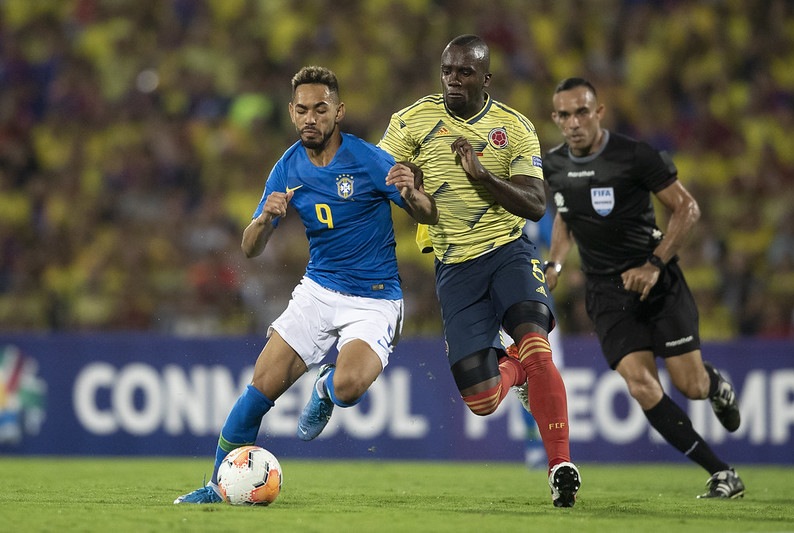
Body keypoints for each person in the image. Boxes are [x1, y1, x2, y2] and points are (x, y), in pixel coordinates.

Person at [174, 66, 437, 504]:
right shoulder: (287, 167)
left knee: (350, 387)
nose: (310, 118)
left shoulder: (369, 159)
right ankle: (216, 487)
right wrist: (264, 219)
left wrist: (412, 194)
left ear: (339, 111)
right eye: (302, 110)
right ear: (292, 113)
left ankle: (325, 388)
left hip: (373, 299)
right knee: (259, 390)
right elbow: (250, 249)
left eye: (320, 109)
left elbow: (429, 214)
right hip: (318, 291)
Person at [378, 34, 580, 508]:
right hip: (454, 266)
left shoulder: (514, 128)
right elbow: (390, 178)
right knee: (484, 400)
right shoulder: (411, 121)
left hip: (509, 252)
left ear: (485, 78)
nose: (453, 79)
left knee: (536, 343)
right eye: (447, 70)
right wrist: (403, 188)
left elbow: (534, 204)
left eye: (464, 72)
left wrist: (483, 175)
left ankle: (560, 467)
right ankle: (519, 371)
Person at [542, 77, 744, 499]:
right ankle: (721, 472)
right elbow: (565, 216)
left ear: (599, 113)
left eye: (582, 112)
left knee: (690, 385)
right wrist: (556, 262)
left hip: (657, 281)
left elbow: (687, 208)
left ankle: (714, 385)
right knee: (641, 384)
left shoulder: (635, 156)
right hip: (606, 292)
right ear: (555, 118)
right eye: (564, 114)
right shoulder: (556, 164)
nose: (573, 122)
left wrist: (654, 265)